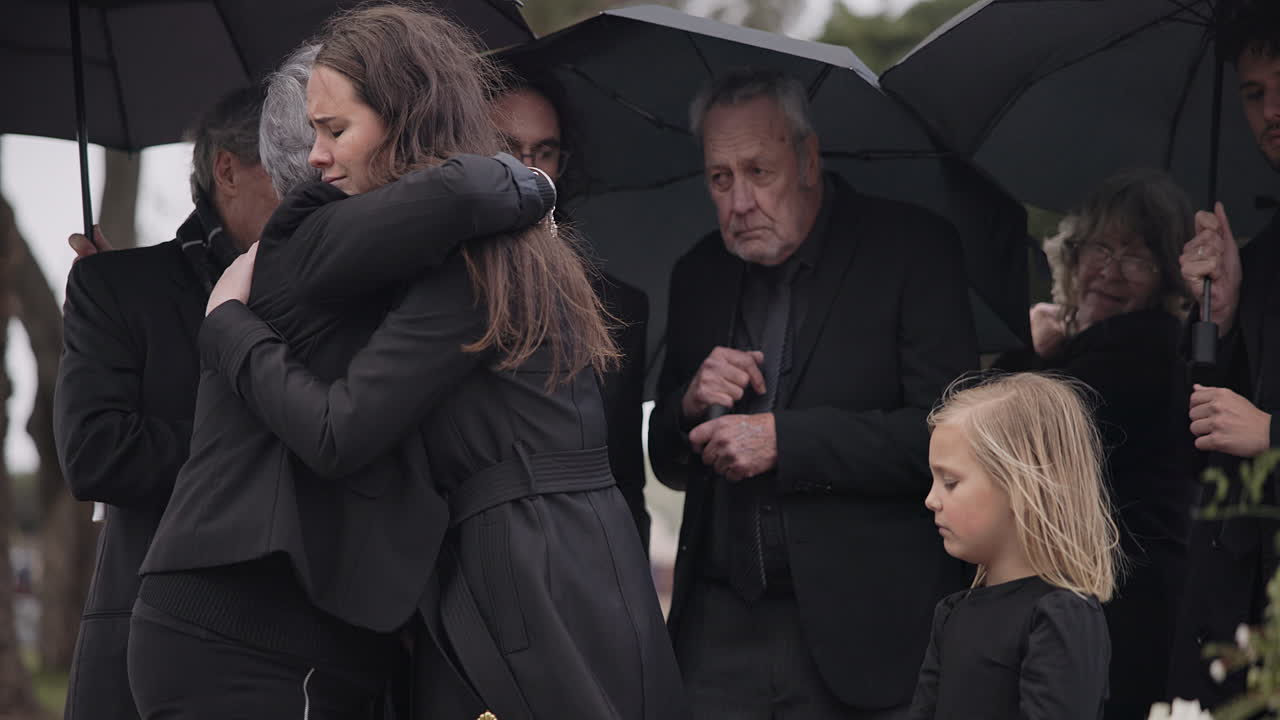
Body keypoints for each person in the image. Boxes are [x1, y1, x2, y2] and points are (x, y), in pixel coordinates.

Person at [135, 6, 685, 720]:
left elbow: (340, 431)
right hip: (570, 556)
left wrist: (230, 328)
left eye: (334, 131)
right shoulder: (503, 240)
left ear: (403, 118)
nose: (315, 161)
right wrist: (529, 186)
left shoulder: (467, 253)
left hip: (520, 568)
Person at [648, 67, 977, 719]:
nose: (739, 202)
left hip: (865, 631)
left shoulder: (912, 249)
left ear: (807, 158)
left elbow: (948, 438)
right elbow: (665, 459)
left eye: (758, 172)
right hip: (715, 632)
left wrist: (785, 441)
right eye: (721, 179)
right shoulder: (699, 274)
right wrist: (687, 403)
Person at [53, 85, 278, 720]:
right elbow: (95, 453)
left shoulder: (332, 290)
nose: (307, 178)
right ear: (226, 171)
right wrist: (261, 447)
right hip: (147, 633)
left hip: (296, 647)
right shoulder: (122, 290)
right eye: (283, 160)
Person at [994, 169, 1196, 717]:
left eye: (1135, 257)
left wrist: (1034, 356)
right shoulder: (1092, 348)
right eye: (1100, 248)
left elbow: (1021, 430)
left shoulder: (1145, 351)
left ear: (1166, 277)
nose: (1109, 271)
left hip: (1121, 613)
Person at [1171, 2, 1280, 705]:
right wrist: (1225, 315)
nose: (1273, 110)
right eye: (1254, 93)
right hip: (1250, 606)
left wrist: (1273, 433)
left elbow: (1256, 426)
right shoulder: (1262, 254)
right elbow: (1210, 426)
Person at [492, 78, 652, 549]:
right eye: (507, 148)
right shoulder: (433, 280)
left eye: (544, 152)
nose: (527, 170)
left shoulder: (618, 306)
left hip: (581, 555)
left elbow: (624, 474)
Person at [907, 373, 1117, 719]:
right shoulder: (952, 614)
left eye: (950, 482)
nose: (931, 499)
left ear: (1021, 485)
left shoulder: (1060, 615)